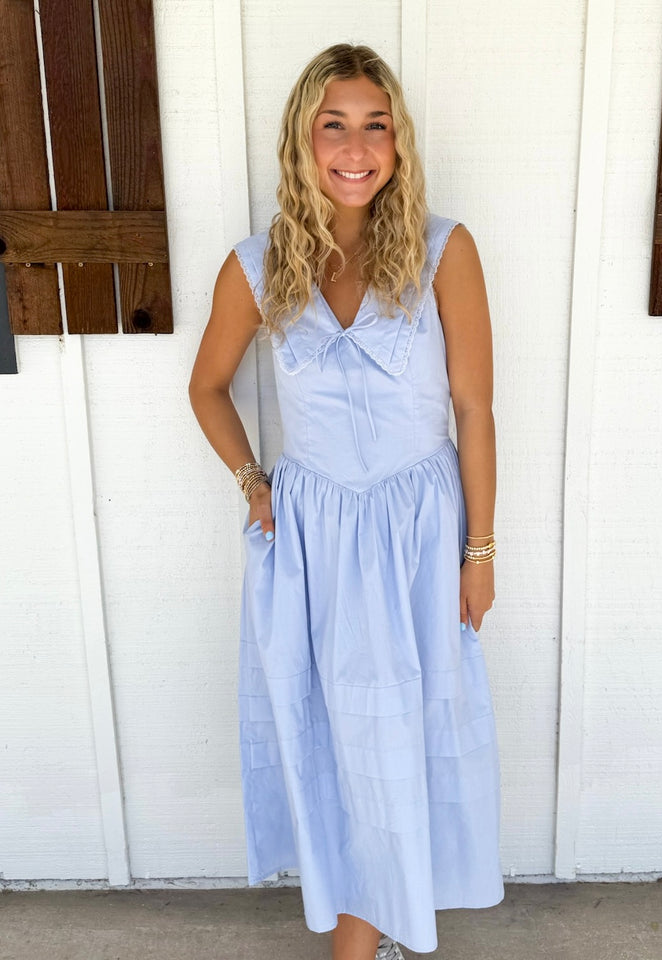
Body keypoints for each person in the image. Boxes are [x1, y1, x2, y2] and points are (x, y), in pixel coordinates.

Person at [188, 42, 504, 960]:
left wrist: (480, 552)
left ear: (398, 144)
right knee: (338, 734)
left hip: (417, 532)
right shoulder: (258, 268)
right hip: (314, 537)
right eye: (334, 126)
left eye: (376, 126)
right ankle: (365, 939)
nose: (355, 149)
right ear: (303, 140)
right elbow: (207, 387)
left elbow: (475, 409)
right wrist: (254, 482)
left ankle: (373, 934)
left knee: (407, 727)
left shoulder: (444, 252)